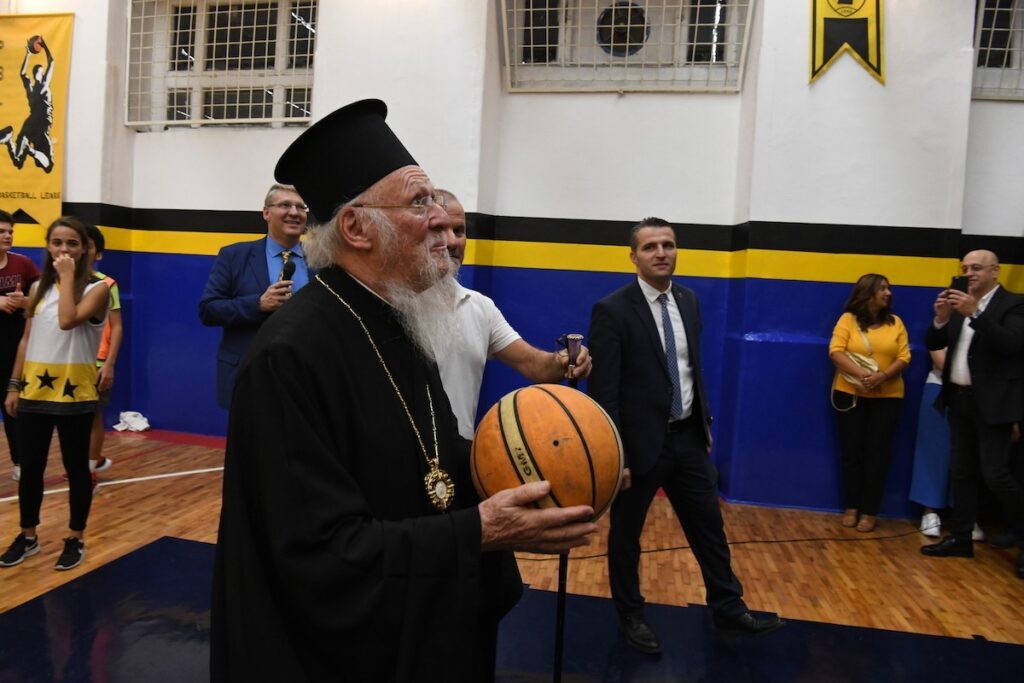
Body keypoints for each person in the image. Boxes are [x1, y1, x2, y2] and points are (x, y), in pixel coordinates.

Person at [211, 99, 598, 681]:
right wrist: (481, 529)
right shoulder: (289, 356)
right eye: (421, 204)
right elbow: (317, 555)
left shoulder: (398, 320)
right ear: (357, 228)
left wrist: (548, 464)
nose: (441, 224)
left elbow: (432, 453)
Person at [587, 217, 782, 655]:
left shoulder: (690, 301)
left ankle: (728, 607)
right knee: (626, 534)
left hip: (689, 439)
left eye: (668, 245)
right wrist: (616, 454)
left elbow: (692, 368)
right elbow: (606, 391)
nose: (661, 253)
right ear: (633, 256)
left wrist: (703, 421)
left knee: (709, 527)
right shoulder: (612, 310)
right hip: (639, 447)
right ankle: (630, 613)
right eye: (651, 246)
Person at [433, 189, 592, 441]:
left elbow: (533, 365)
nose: (452, 241)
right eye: (439, 230)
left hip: (457, 460)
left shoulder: (479, 307)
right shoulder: (394, 304)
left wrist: (563, 361)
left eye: (459, 231)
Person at [0, 216, 109, 571]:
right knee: (30, 469)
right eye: (57, 243)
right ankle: (27, 535)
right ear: (48, 246)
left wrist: (65, 278)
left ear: (84, 249)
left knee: (77, 470)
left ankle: (75, 537)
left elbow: (67, 320)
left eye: (72, 244)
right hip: (35, 391)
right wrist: (15, 384)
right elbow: (27, 339)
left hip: (74, 394)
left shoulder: (98, 288)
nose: (64, 250)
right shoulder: (36, 290)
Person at [922, 250, 1024, 580]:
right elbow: (937, 340)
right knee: (961, 472)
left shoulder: (1013, 304)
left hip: (993, 404)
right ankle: (961, 538)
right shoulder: (959, 304)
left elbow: (1012, 345)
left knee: (995, 474)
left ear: (995, 271)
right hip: (959, 399)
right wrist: (940, 318)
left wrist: (975, 313)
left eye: (977, 268)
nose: (970, 274)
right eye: (965, 268)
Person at [198, 182, 311, 409]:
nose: (294, 212)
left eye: (301, 207)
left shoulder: (323, 260)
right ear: (266, 213)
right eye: (285, 205)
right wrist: (258, 304)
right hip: (248, 373)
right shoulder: (234, 256)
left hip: (305, 376)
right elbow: (209, 310)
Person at [828, 274, 911, 532]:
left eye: (889, 288)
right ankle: (851, 507)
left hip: (888, 397)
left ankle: (870, 511)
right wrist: (864, 376)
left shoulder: (896, 323)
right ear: (868, 293)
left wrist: (882, 377)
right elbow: (835, 351)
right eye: (883, 289)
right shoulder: (847, 320)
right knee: (852, 453)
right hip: (850, 395)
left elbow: (904, 356)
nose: (888, 293)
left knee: (878, 455)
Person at [0, 210, 40, 482]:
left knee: (14, 407)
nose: (8, 235)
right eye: (2, 231)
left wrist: (26, 301)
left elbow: (41, 297)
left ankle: (21, 462)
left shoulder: (23, 264)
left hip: (12, 348)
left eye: (10, 231)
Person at [84, 224, 122, 475]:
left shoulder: (106, 285)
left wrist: (108, 364)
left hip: (95, 363)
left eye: (87, 245)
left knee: (93, 417)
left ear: (98, 254)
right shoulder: (55, 283)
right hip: (65, 364)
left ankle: (89, 469)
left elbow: (117, 327)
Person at [0, 35, 56, 172]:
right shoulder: (43, 86)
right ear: (39, 75)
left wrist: (28, 54)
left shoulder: (31, 89)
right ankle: (30, 151)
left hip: (30, 123)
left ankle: (9, 141)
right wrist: (45, 46)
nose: (42, 74)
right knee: (48, 166)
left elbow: (22, 73)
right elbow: (52, 62)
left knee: (18, 162)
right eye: (41, 72)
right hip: (42, 123)